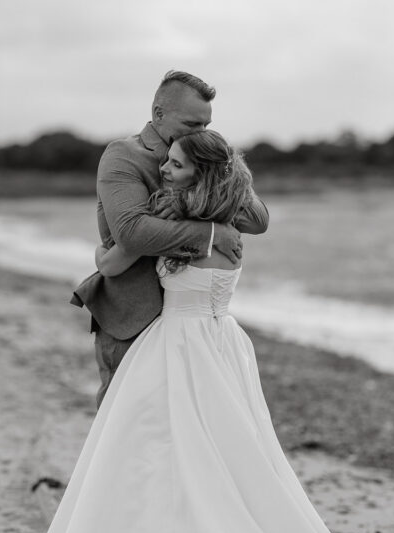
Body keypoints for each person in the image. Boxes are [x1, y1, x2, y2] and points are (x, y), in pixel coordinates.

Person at [10, 129, 394, 533]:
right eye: (166, 161)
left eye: (174, 165)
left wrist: (113, 246)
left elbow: (112, 262)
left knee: (163, 465)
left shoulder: (188, 232)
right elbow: (245, 218)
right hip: (219, 344)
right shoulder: (226, 225)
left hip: (181, 347)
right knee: (215, 466)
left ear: (200, 175)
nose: (164, 171)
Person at [71, 70, 269, 406]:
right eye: (193, 125)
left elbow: (257, 219)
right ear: (158, 114)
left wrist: (199, 188)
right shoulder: (123, 155)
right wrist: (211, 232)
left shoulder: (208, 157)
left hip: (193, 328)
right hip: (133, 318)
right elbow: (133, 233)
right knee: (128, 428)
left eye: (206, 125)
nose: (203, 132)